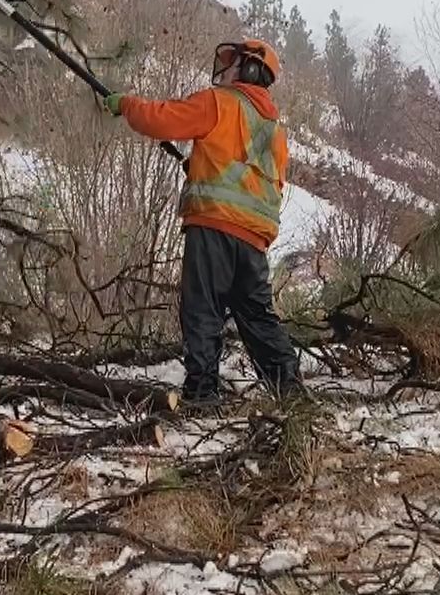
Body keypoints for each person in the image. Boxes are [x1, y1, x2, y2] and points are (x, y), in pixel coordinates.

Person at [101, 39, 305, 406]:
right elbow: (251, 177)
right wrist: (199, 165)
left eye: (231, 65)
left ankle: (202, 394)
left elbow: (162, 118)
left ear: (250, 70)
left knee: (202, 309)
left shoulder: (219, 102)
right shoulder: (275, 130)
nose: (223, 71)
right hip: (254, 243)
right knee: (258, 318)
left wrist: (127, 105)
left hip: (213, 228)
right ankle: (290, 391)